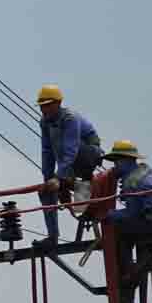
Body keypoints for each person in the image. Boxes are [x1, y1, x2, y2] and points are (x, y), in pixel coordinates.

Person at [36, 85, 103, 243]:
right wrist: (48, 180)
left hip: (87, 155)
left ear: (58, 103)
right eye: (42, 106)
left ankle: (83, 182)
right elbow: (47, 151)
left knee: (70, 148)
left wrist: (58, 177)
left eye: (47, 105)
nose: (44, 109)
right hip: (68, 163)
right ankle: (52, 237)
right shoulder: (45, 122)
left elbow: (71, 149)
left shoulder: (70, 118)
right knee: (45, 191)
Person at [103, 140, 152, 235]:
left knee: (118, 228)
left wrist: (111, 214)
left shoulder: (131, 182)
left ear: (126, 160)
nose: (115, 166)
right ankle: (146, 250)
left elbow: (132, 213)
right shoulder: (145, 169)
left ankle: (123, 250)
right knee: (138, 227)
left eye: (116, 162)